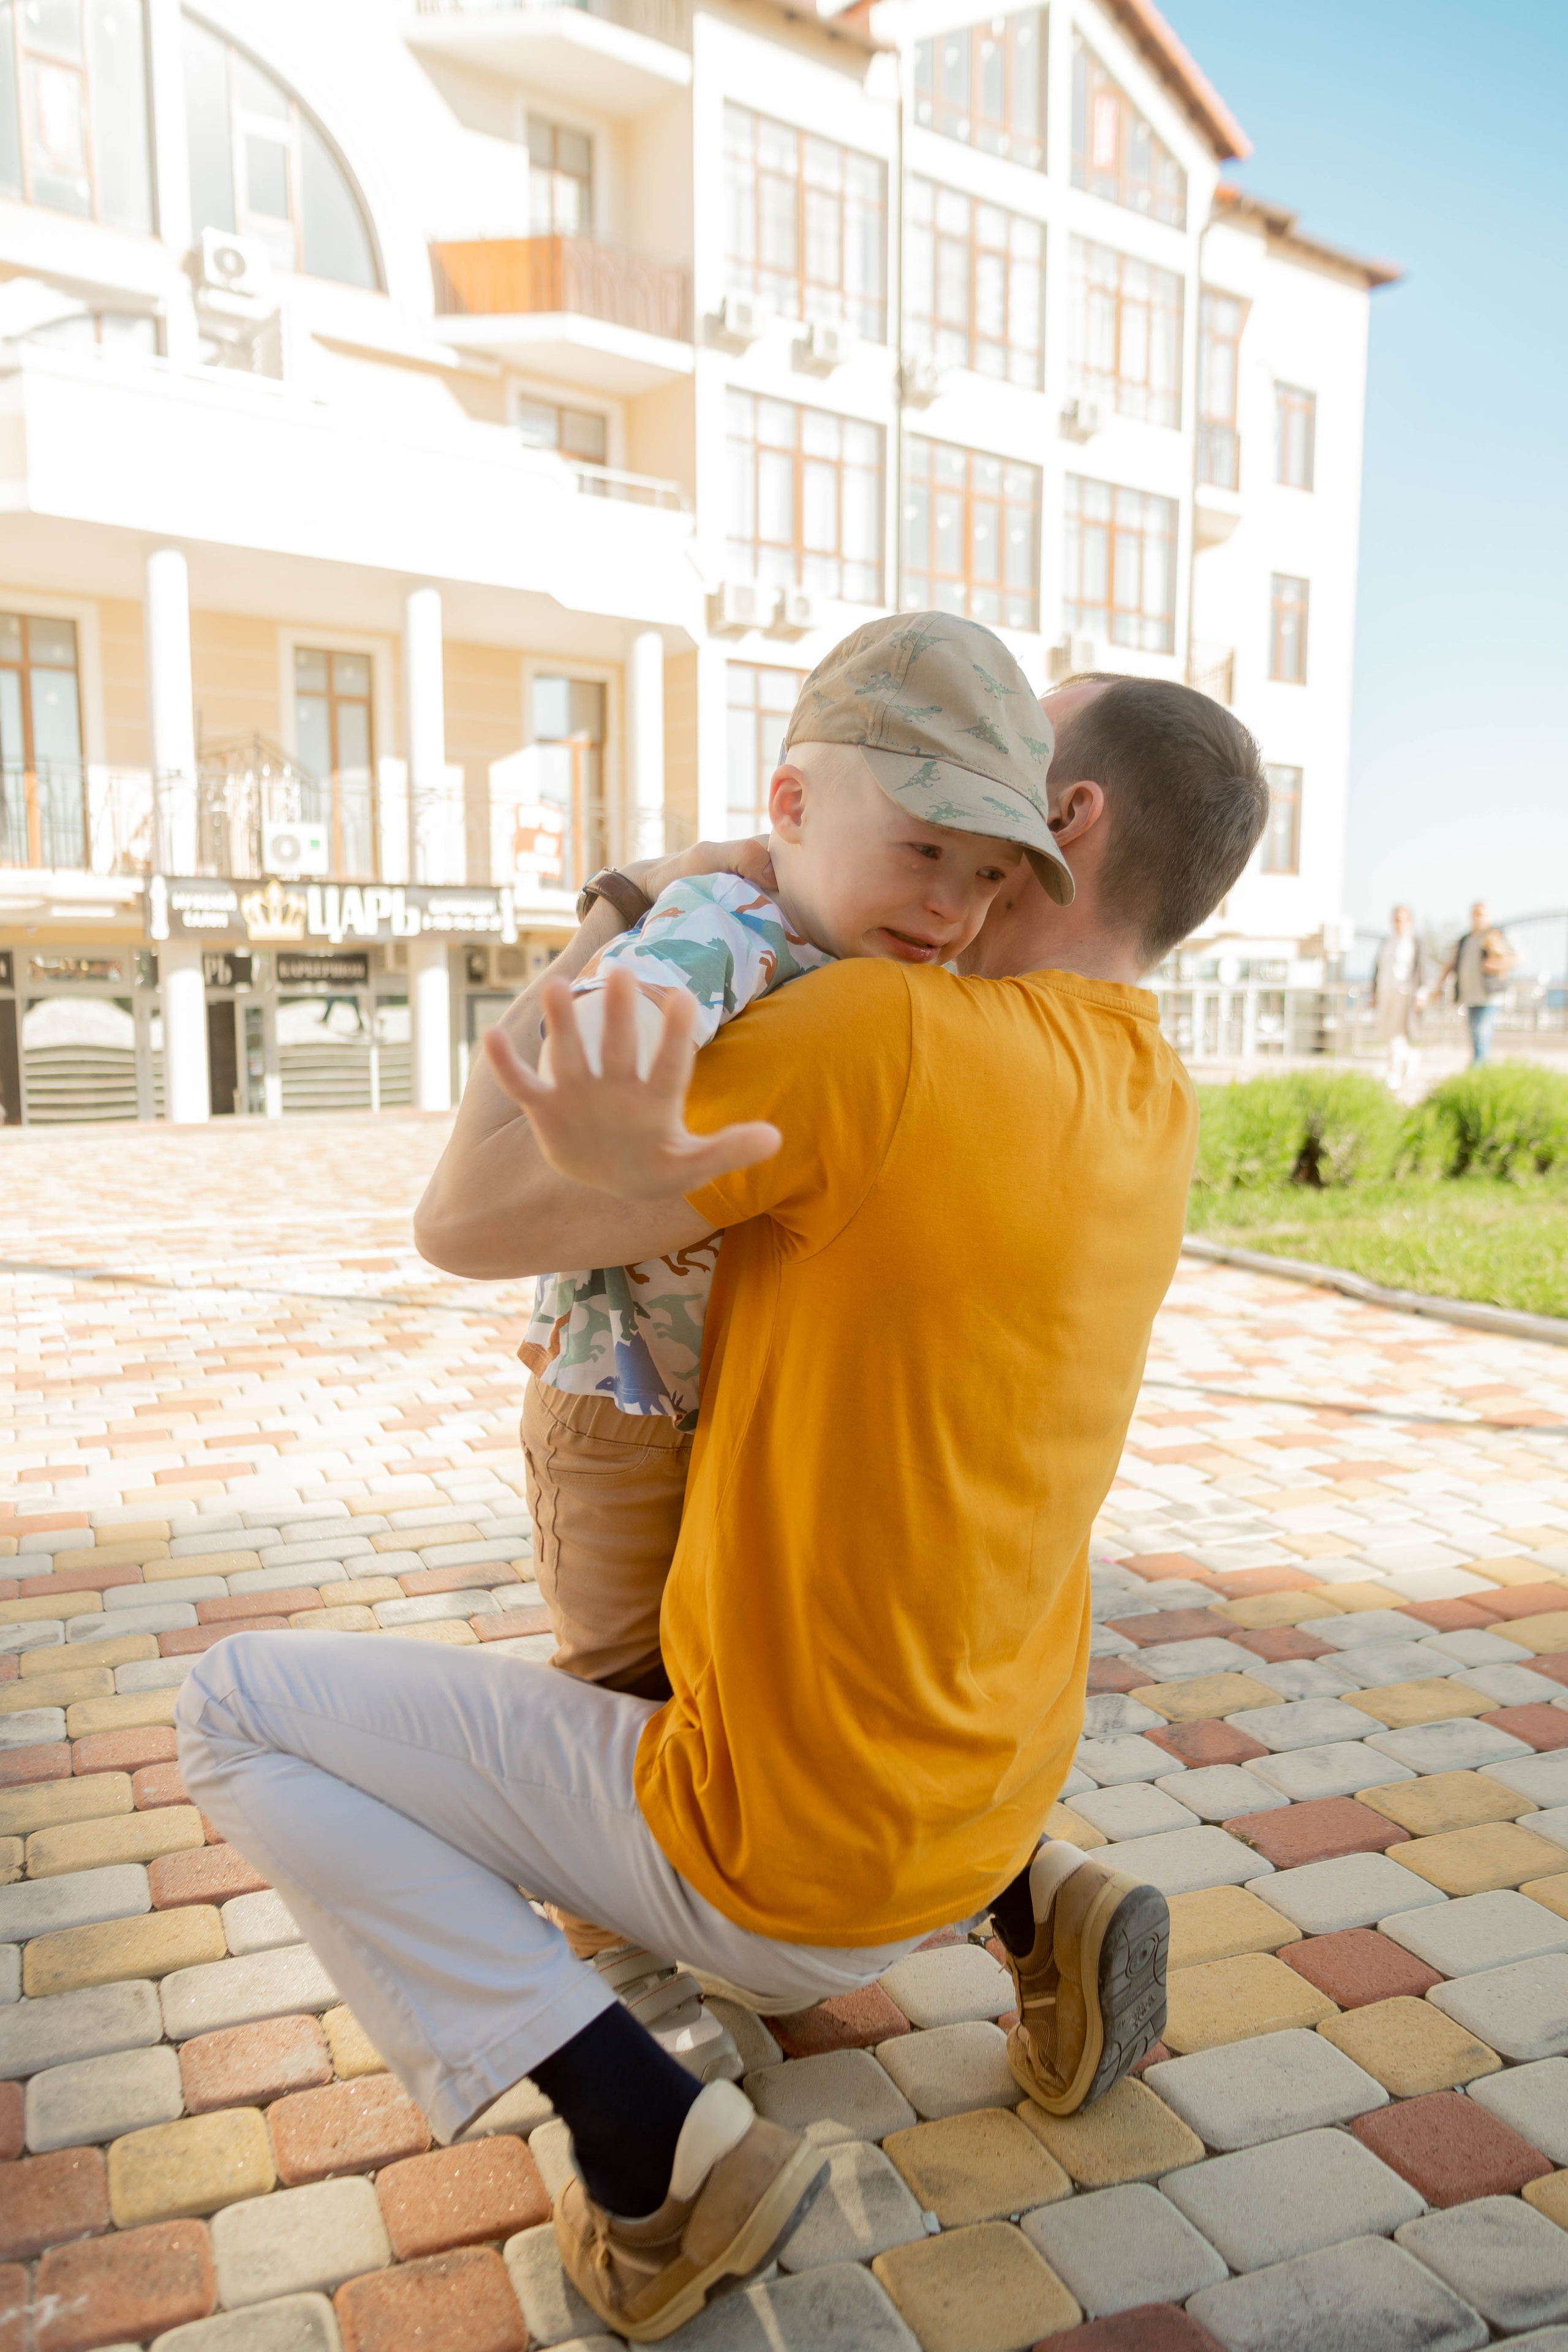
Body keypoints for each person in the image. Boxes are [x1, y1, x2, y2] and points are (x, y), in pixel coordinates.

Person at [176, 636, 1269, 2343]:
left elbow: (463, 1220)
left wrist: (641, 898)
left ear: (1055, 819)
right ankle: (1038, 1901)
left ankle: (651, 2144)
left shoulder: (883, 1038)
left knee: (236, 1711)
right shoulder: (1154, 1095)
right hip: (988, 1784)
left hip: (785, 1872)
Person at [1442, 900, 1516, 1066]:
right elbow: (1451, 963)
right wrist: (1440, 985)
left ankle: (1477, 1068)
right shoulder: (1465, 939)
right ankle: (1479, 1066)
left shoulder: (1496, 935)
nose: (1479, 917)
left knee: (1482, 1035)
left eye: (1482, 914)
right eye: (1476, 913)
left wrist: (1496, 965)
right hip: (1470, 996)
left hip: (1489, 996)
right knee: (1475, 1035)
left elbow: (1518, 958)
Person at [1370, 903, 1432, 1093]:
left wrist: (1422, 994)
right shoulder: (1387, 942)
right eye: (1396, 918)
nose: (1399, 923)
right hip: (1384, 992)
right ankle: (1411, 1057)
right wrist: (1373, 993)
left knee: (1396, 1034)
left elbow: (1423, 970)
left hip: (1404, 993)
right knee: (1385, 1033)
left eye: (1403, 919)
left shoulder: (1416, 942)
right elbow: (1377, 969)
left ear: (1410, 921)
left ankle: (1394, 1073)